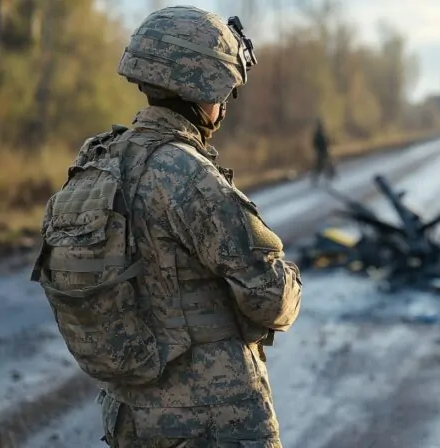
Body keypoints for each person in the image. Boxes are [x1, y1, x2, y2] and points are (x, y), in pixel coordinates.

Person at [30, 6, 301, 448]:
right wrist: (290, 281)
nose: (225, 106)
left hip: (133, 418)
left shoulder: (99, 159)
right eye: (225, 92)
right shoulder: (186, 173)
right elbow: (269, 299)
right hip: (214, 418)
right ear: (204, 88)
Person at [311, 117, 336, 185]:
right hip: (322, 152)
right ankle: (317, 179)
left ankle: (330, 176)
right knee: (321, 165)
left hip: (323, 151)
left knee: (324, 165)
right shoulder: (319, 134)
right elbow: (317, 143)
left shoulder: (319, 134)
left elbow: (316, 143)